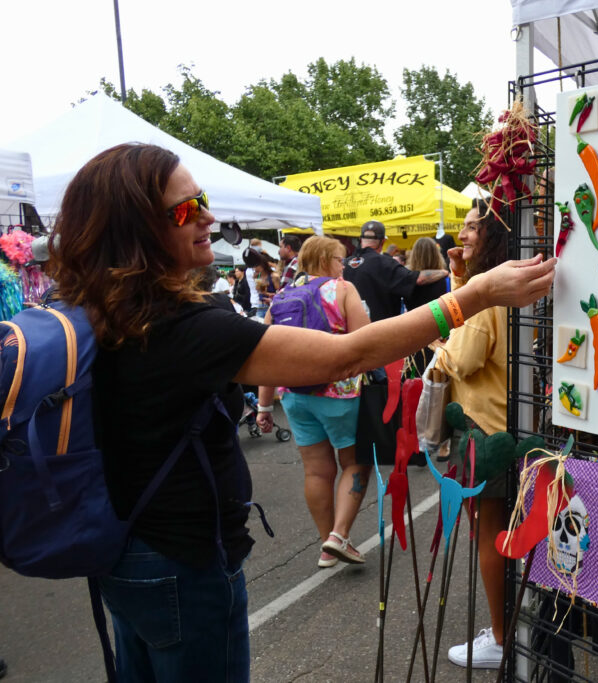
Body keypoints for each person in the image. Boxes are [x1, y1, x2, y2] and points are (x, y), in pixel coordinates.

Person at [46, 142, 555, 680]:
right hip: (182, 561)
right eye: (184, 209)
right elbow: (348, 354)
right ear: (137, 230)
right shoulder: (182, 326)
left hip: (122, 551)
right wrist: (471, 297)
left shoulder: (93, 309)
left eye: (204, 200)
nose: (209, 217)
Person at [256, 237, 371, 568]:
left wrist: (264, 406)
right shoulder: (341, 289)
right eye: (340, 259)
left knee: (317, 470)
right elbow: (364, 340)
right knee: (353, 463)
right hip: (339, 393)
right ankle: (339, 535)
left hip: (294, 394)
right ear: (326, 259)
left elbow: (266, 354)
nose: (343, 265)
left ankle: (327, 546)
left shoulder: (280, 297)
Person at [434, 200, 514, 669]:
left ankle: (501, 640)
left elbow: (459, 357)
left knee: (489, 535)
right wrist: (460, 282)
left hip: (482, 430)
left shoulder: (487, 294)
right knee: (504, 533)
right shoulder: (500, 285)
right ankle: (509, 630)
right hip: (505, 422)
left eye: (470, 229)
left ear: (493, 235)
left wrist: (438, 347)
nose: (461, 236)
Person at [343, 220, 449, 321]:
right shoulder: (386, 264)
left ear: (360, 239)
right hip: (382, 331)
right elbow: (418, 279)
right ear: (383, 241)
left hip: (350, 334)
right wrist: (444, 272)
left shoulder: (343, 265)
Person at [406, 237, 451, 373]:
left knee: (416, 377)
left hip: (413, 335)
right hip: (439, 334)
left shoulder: (408, 281)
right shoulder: (445, 281)